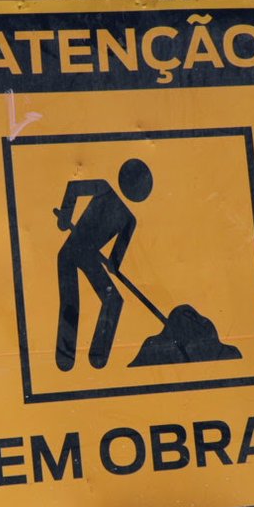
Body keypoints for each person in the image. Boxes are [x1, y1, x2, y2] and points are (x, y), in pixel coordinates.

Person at [53, 159, 153, 372]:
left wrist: (112, 265)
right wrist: (66, 216)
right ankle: (65, 357)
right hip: (71, 252)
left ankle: (98, 355)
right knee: (71, 301)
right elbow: (74, 187)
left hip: (88, 256)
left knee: (114, 300)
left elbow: (115, 260)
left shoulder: (129, 219)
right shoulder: (104, 189)